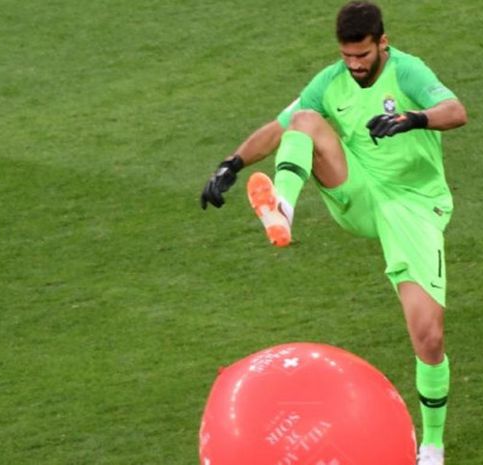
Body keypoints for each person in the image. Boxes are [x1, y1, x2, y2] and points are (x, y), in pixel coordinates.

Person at [199, 2, 467, 464]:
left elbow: (455, 110)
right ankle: (281, 207)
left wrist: (413, 118)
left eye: (362, 55)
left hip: (412, 208)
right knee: (304, 121)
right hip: (358, 193)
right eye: (347, 56)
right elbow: (278, 127)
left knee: (429, 338)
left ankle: (432, 446)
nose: (355, 64)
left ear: (382, 42)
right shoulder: (329, 82)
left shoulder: (407, 72)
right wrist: (232, 163)